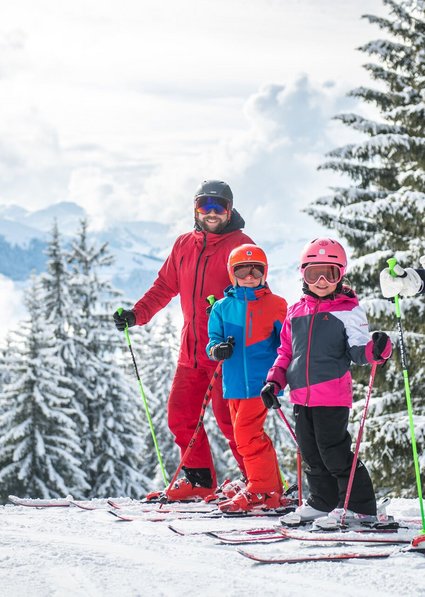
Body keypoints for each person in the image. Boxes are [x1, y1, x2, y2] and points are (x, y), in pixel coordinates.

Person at [113, 180, 254, 500]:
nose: (212, 212)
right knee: (180, 415)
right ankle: (199, 480)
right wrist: (137, 315)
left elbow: (254, 294)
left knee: (230, 421)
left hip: (227, 352)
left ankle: (257, 481)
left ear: (230, 210)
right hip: (191, 351)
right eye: (205, 206)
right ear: (195, 209)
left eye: (219, 206)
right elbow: (164, 287)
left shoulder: (241, 246)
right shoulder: (183, 245)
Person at [261, 237, 392, 525]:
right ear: (303, 275)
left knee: (334, 453)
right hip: (300, 396)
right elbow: (285, 353)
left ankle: (361, 506)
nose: (321, 280)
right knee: (311, 453)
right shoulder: (295, 312)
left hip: (332, 395)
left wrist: (377, 349)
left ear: (340, 275)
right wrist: (274, 382)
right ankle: (323, 501)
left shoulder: (348, 311)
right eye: (313, 273)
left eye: (330, 273)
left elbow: (359, 351)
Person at [206, 244, 288, 512]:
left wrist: (282, 377)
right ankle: (273, 488)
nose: (250, 275)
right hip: (234, 385)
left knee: (247, 436)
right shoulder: (221, 308)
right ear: (232, 274)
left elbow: (286, 344)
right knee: (249, 436)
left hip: (262, 383)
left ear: (264, 272)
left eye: (256, 270)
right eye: (243, 270)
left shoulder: (276, 305)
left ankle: (263, 490)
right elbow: (212, 342)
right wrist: (218, 350)